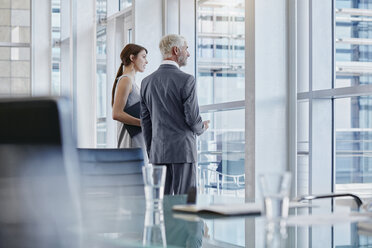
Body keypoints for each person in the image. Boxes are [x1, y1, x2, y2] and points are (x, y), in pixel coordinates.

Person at [140, 34, 210, 195]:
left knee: (162, 204)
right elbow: (192, 118)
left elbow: (146, 122)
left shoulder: (146, 82)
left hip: (158, 152)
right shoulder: (186, 80)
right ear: (176, 50)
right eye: (186, 49)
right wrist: (201, 128)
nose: (188, 53)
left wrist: (152, 152)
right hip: (183, 151)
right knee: (185, 203)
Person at [112, 43, 148, 162]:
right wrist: (143, 123)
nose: (146, 61)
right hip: (131, 139)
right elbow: (116, 113)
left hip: (137, 138)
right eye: (143, 57)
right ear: (132, 58)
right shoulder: (126, 80)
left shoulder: (131, 81)